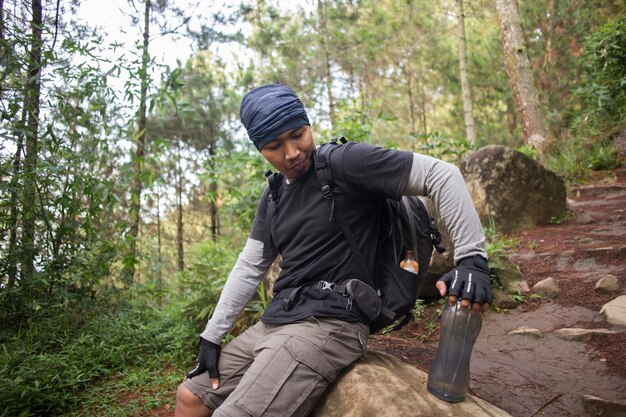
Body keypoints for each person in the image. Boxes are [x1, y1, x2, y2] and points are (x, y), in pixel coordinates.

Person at [175, 84, 492, 417]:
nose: (292, 152)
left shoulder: (343, 164)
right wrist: (211, 337)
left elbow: (442, 175)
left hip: (328, 322)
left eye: (298, 134)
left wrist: (473, 259)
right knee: (190, 396)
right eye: (274, 146)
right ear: (259, 149)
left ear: (308, 124)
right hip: (275, 321)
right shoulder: (273, 197)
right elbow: (250, 265)